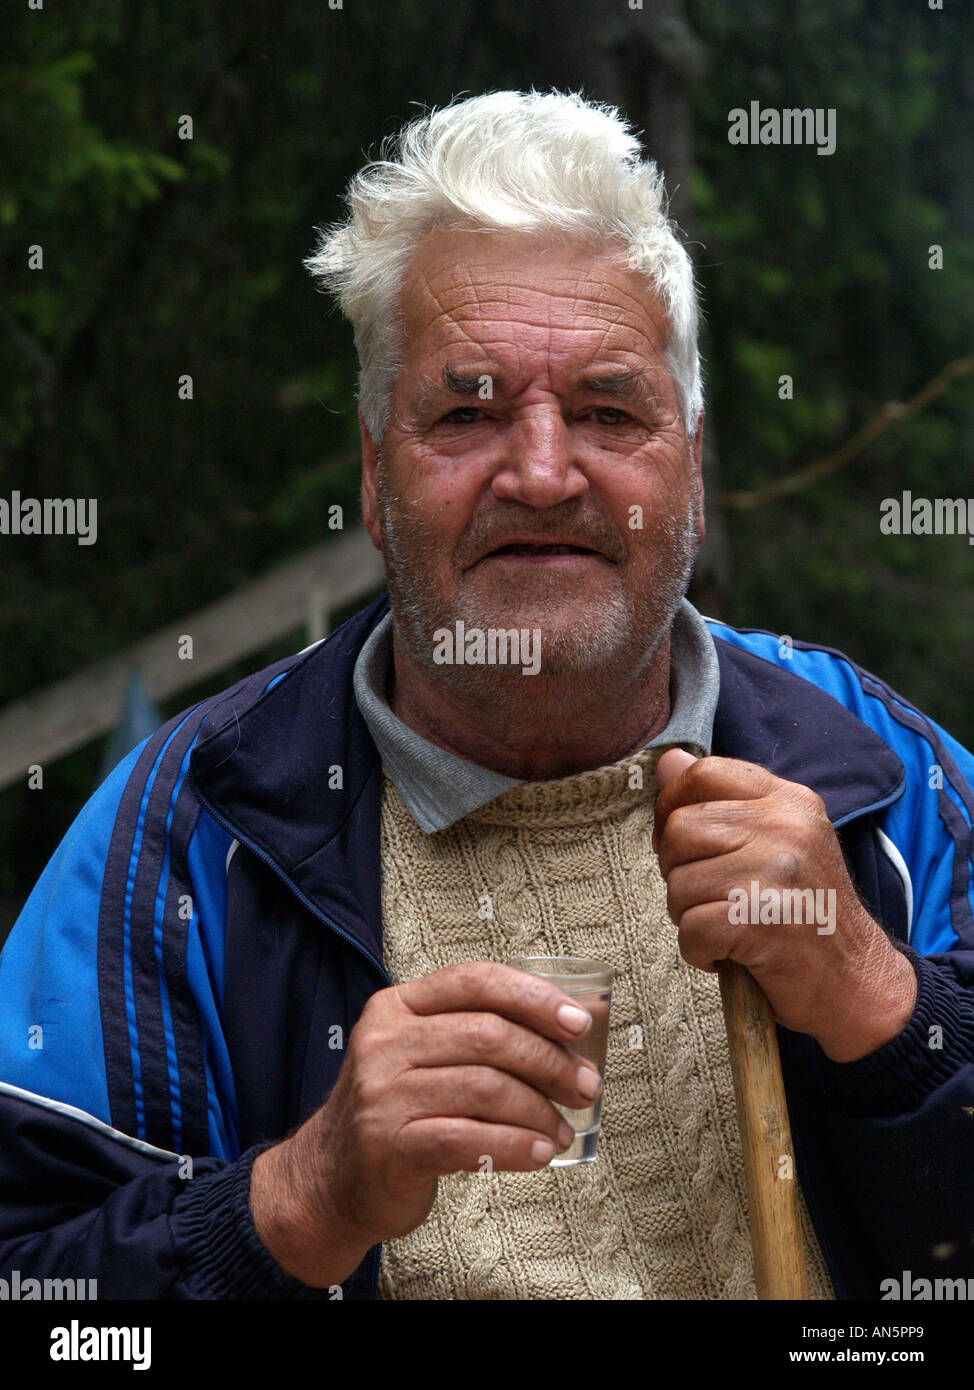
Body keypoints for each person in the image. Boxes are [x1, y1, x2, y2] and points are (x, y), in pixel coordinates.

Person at [1, 89, 972, 1302]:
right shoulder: (187, 834)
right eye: (466, 411)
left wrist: (879, 1001)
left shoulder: (885, 779)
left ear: (692, 463)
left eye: (610, 410)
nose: (545, 471)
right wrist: (303, 1198)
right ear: (371, 471)